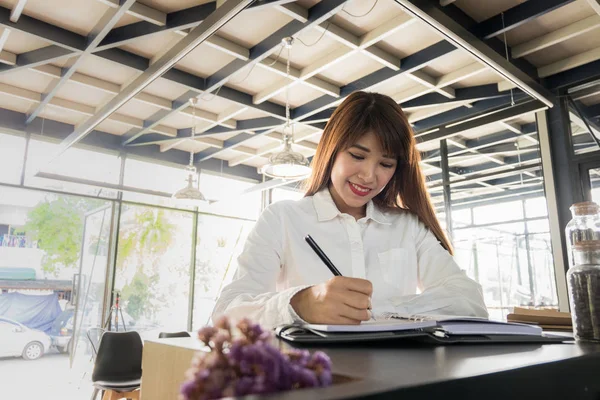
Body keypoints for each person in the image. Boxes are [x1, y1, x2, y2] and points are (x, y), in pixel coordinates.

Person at [213, 91, 488, 329]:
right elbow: (225, 314)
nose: (369, 176)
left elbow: (469, 300)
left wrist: (382, 312)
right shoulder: (282, 219)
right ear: (332, 151)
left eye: (386, 164)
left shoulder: (408, 227)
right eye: (357, 156)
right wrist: (299, 305)